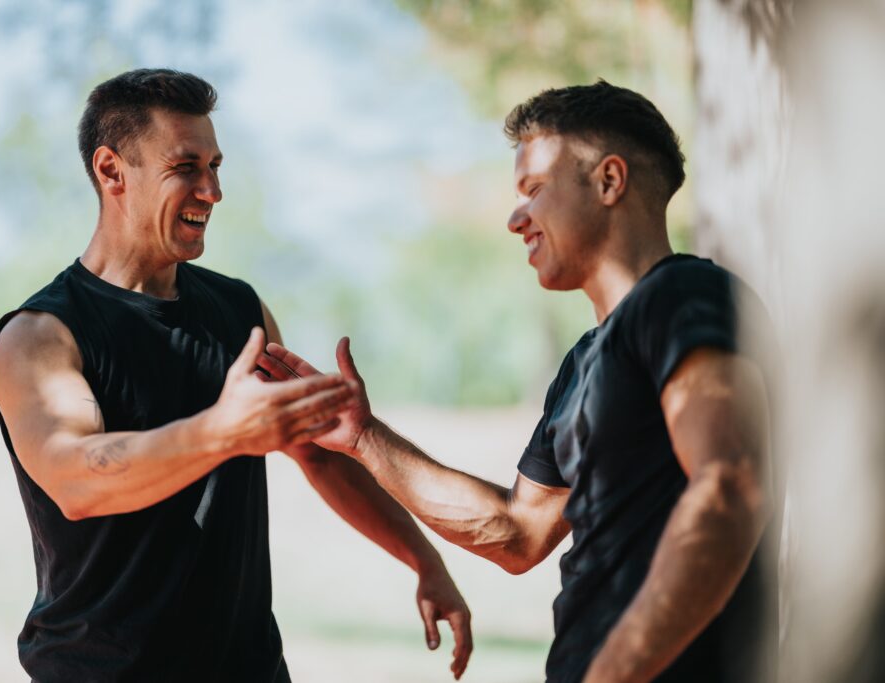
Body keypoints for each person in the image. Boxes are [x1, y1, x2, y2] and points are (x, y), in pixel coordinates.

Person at [258, 81, 777, 682]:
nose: (515, 218)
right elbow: (517, 533)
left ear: (610, 182)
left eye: (534, 190)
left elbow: (729, 488)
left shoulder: (684, 297)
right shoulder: (585, 361)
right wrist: (364, 438)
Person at [0, 68, 471, 682]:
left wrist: (424, 559)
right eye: (186, 167)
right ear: (112, 171)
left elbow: (319, 456)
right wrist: (223, 432)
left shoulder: (240, 311)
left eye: (216, 166)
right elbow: (78, 479)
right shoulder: (41, 335)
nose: (212, 191)